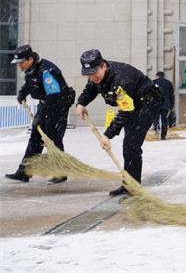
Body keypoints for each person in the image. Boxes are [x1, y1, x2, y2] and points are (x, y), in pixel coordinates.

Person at [76, 49, 163, 196]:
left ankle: (133, 186)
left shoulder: (122, 80)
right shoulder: (97, 77)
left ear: (103, 66)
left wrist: (107, 135)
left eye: (94, 73)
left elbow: (126, 112)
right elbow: (91, 88)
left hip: (147, 103)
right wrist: (81, 103)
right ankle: (129, 184)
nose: (92, 78)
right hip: (133, 104)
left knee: (132, 144)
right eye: (88, 74)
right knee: (128, 145)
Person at [5, 45, 75, 184]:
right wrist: (22, 93)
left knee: (52, 139)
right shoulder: (31, 69)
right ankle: (24, 172)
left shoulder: (46, 71)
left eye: (21, 62)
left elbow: (54, 96)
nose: (19, 66)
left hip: (57, 106)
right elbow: (30, 84)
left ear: (30, 59)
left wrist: (41, 117)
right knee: (35, 138)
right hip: (46, 104)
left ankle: (60, 173)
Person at [152, 71, 175, 140]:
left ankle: (156, 128)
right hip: (166, 105)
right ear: (163, 76)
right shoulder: (169, 83)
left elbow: (149, 94)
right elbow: (171, 96)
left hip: (155, 105)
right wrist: (172, 105)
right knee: (165, 121)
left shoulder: (153, 82)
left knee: (155, 118)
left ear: (157, 76)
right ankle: (163, 136)